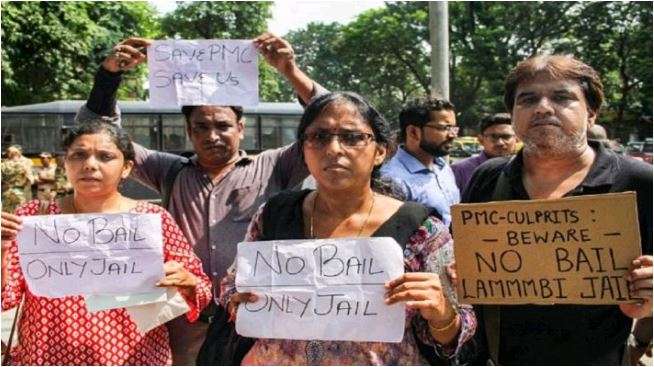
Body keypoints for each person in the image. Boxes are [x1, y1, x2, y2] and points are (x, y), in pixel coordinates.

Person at [75, 33, 322, 364]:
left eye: (222, 125)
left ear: (241, 128)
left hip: (257, 321)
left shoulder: (276, 165)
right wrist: (109, 75)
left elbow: (325, 123)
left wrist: (291, 71)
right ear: (189, 132)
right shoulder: (169, 171)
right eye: (201, 127)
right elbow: (100, 135)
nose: (212, 135)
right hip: (186, 326)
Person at [221, 92, 476, 365]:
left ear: (380, 152)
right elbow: (231, 286)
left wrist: (441, 313)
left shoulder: (423, 230)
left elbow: (460, 329)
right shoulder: (273, 215)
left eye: (352, 137)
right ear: (303, 151)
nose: (333, 149)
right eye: (319, 137)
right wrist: (236, 300)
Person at [461, 54, 652, 365]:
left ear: (591, 113)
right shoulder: (489, 178)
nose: (542, 108)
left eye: (562, 97)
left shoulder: (640, 182)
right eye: (528, 99)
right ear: (513, 115)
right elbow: (461, 268)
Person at [1, 121, 212, 365]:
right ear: (65, 163)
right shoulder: (34, 217)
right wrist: (2, 252)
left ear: (126, 168)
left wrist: (187, 282)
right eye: (79, 155)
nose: (90, 164)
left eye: (105, 156)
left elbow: (202, 291)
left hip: (136, 359)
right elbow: (5, 298)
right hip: (46, 358)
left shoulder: (151, 220)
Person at [379, 97, 460, 226]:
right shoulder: (392, 179)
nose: (452, 135)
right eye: (444, 128)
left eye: (454, 128)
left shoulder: (442, 167)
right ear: (413, 132)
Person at [451, 113, 517, 192]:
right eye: (493, 137)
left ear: (517, 139)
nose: (500, 143)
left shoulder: (526, 168)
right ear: (480, 140)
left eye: (506, 137)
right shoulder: (461, 169)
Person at [1, 145, 35, 213]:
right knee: (14, 213)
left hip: (14, 192)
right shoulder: (4, 163)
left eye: (8, 152)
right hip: (13, 192)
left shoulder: (27, 162)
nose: (7, 154)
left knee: (14, 214)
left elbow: (31, 179)